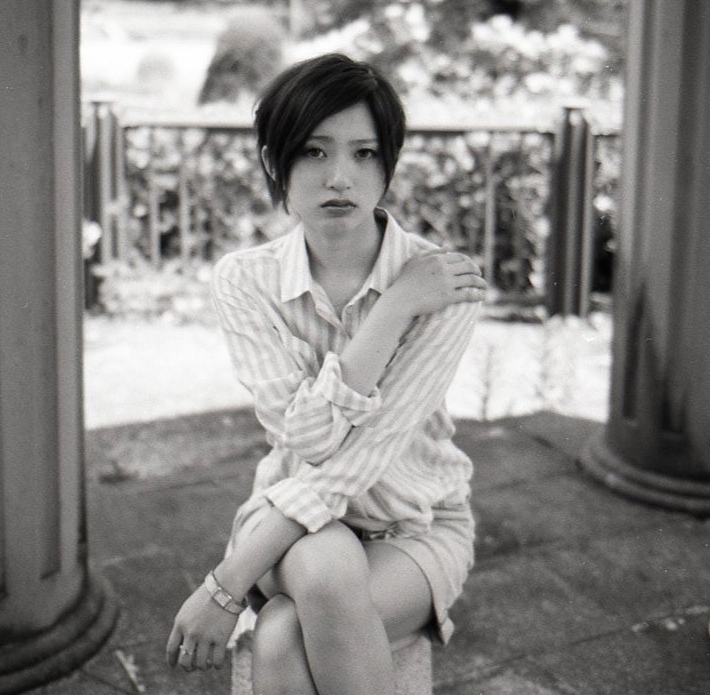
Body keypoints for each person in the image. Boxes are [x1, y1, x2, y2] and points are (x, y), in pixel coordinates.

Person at [166, 53, 486, 693]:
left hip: (414, 528)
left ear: (388, 164)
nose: (341, 177)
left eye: (365, 154)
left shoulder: (441, 282)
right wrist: (391, 311)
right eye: (314, 151)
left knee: (282, 632)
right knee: (321, 563)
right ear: (274, 161)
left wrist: (224, 587)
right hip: (288, 523)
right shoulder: (247, 281)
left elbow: (357, 461)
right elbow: (309, 442)